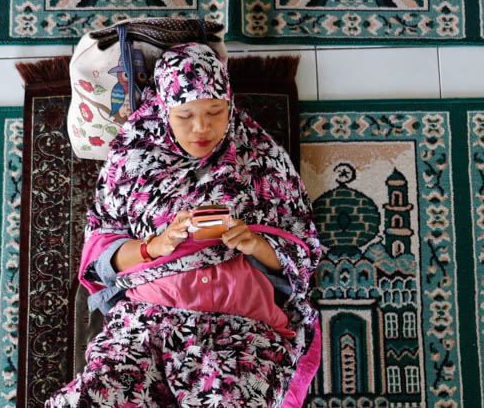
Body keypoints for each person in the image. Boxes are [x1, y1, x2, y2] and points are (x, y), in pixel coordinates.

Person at [46, 42, 323, 407]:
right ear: (163, 110)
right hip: (147, 325)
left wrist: (254, 243)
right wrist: (154, 246)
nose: (201, 128)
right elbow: (101, 256)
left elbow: (302, 256)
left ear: (230, 104)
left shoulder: (263, 158)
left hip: (241, 329)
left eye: (214, 111)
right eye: (185, 115)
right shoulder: (131, 162)